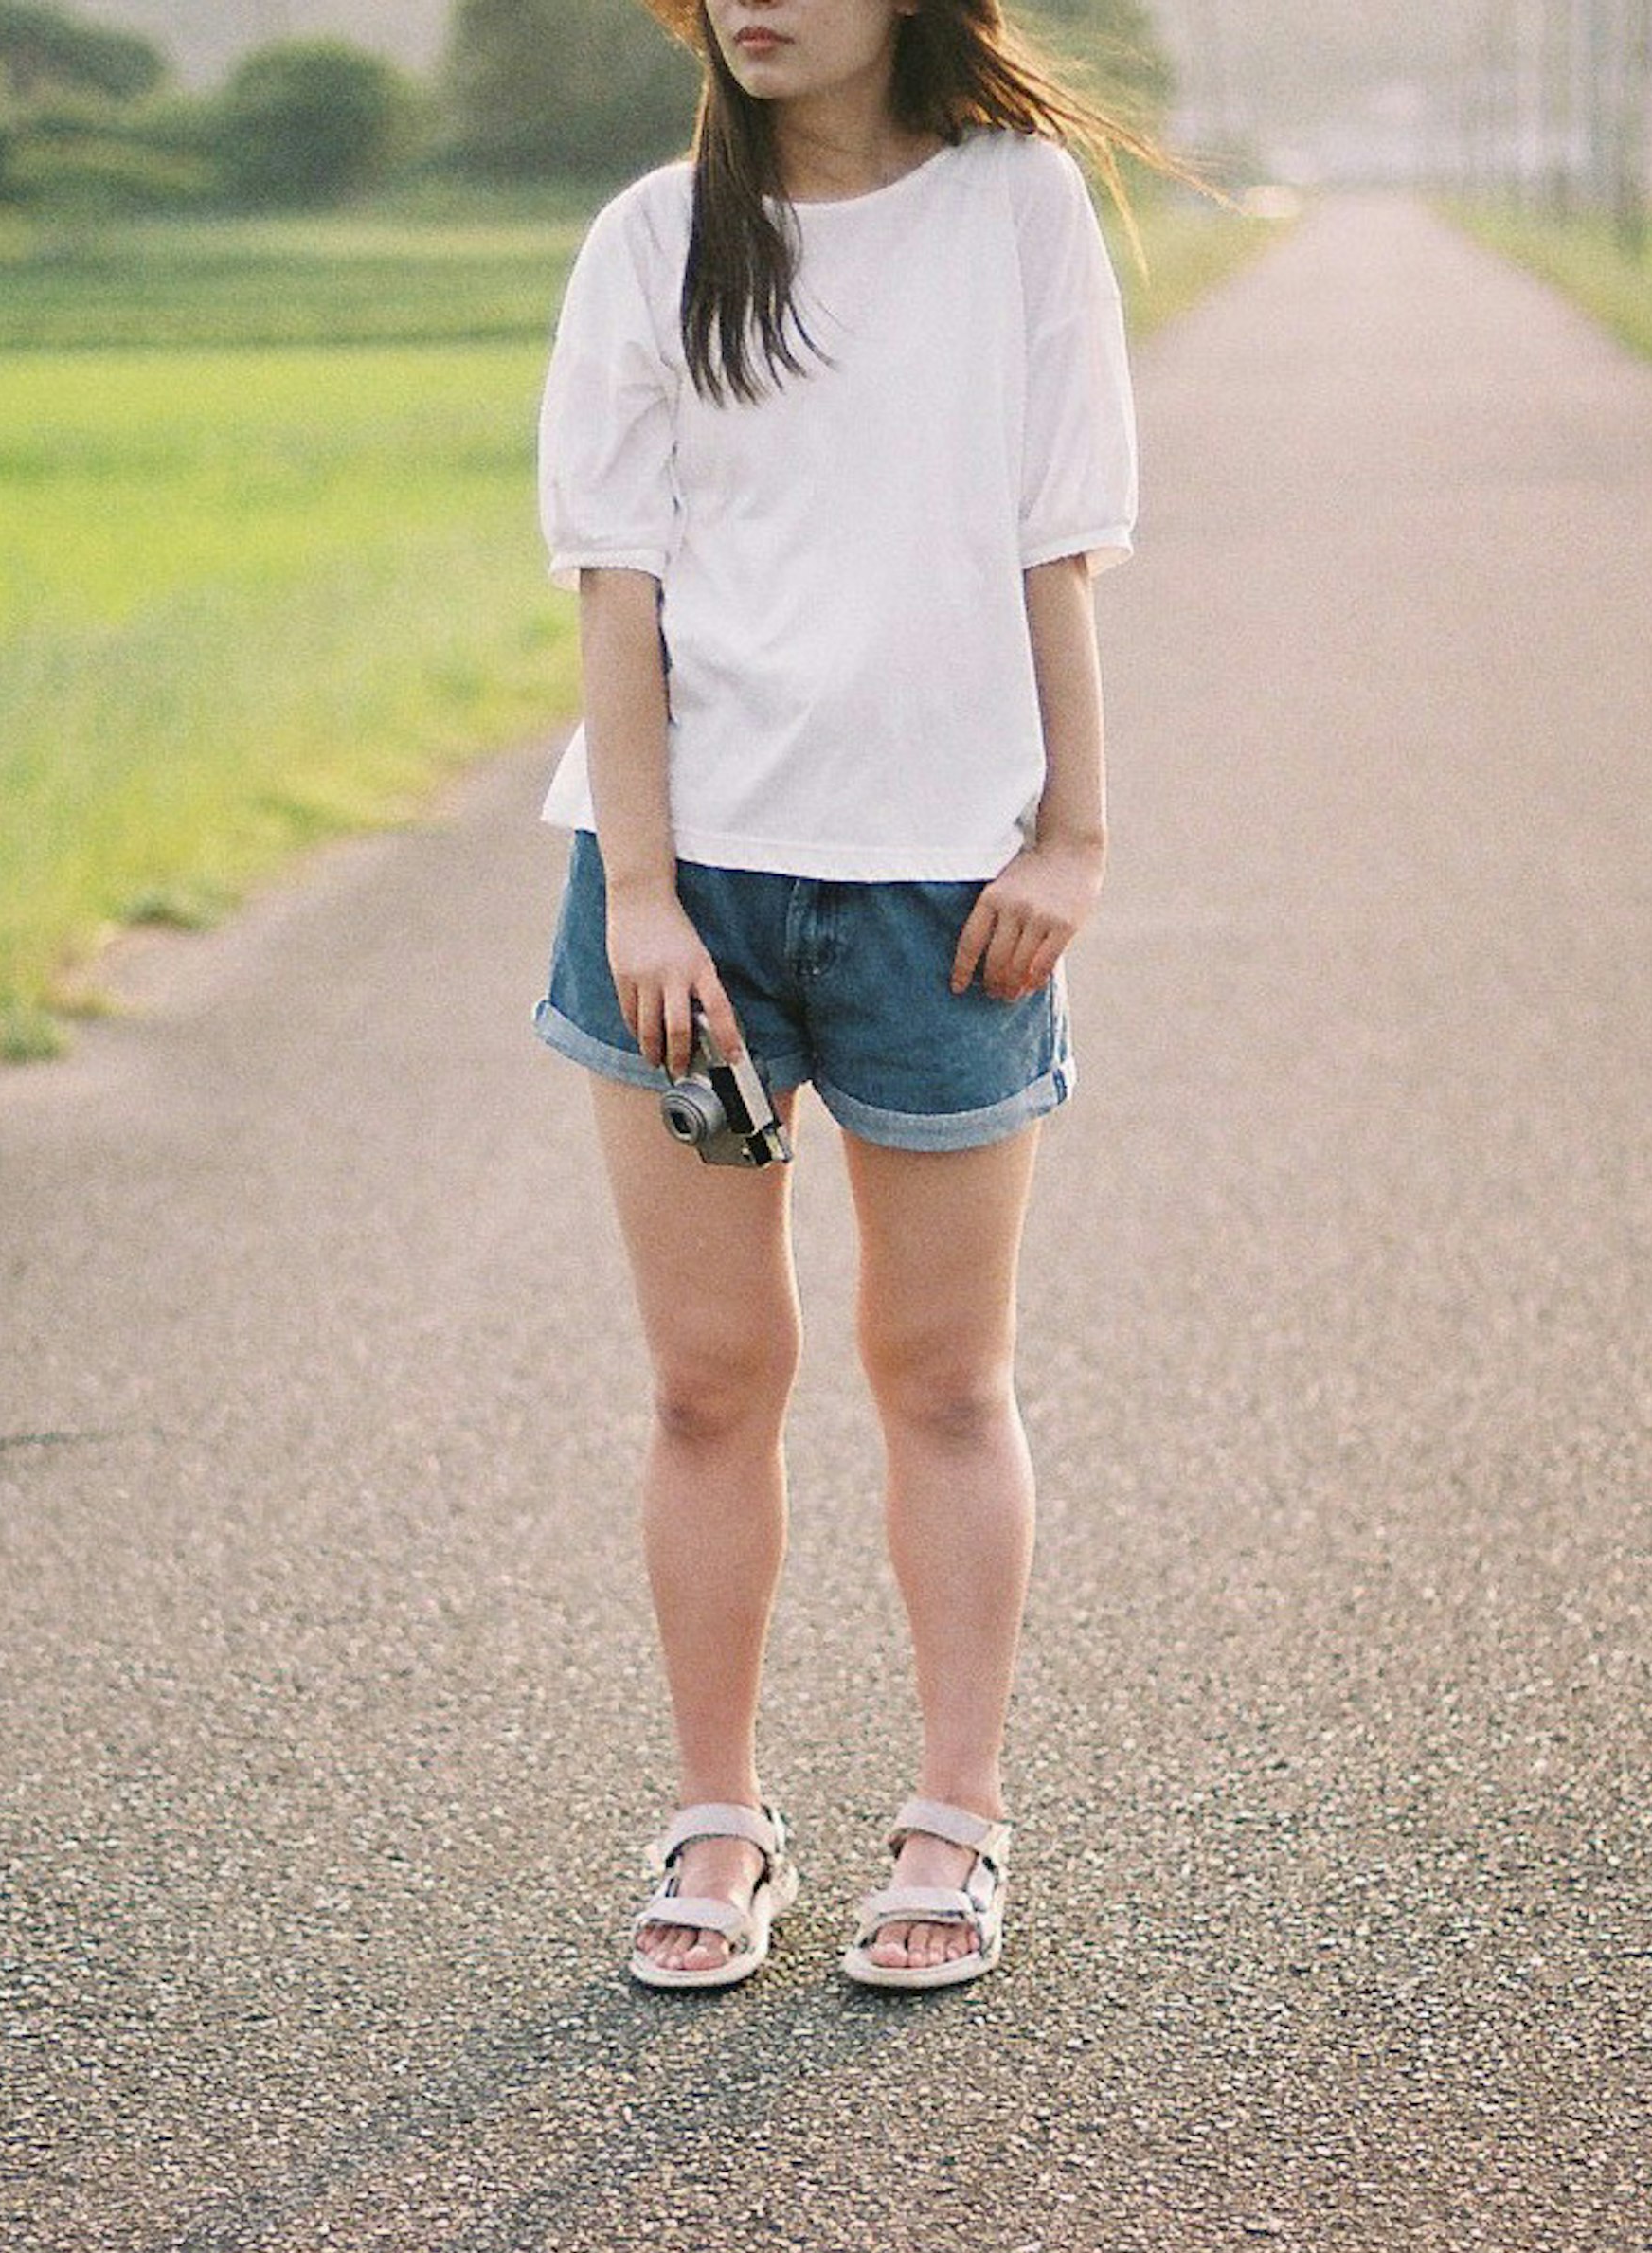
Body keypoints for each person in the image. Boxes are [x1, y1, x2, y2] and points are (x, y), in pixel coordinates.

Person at [531, 0, 1160, 1992]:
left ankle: (953, 1819)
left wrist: (1075, 837)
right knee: (712, 1382)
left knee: (944, 1373)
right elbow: (612, 581)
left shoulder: (1018, 208)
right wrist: (641, 893)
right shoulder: (653, 235)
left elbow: (1060, 536)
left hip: (948, 888)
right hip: (687, 888)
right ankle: (719, 1819)